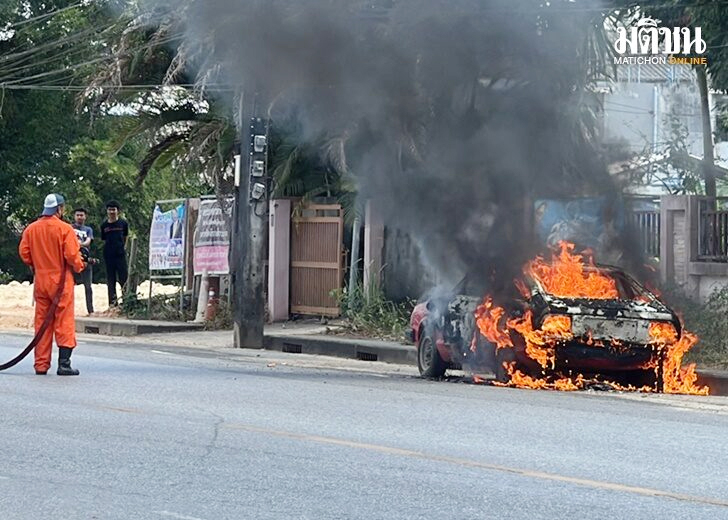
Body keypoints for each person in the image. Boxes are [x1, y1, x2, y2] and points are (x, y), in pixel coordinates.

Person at [18, 193, 85, 375]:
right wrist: (80, 266)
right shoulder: (65, 229)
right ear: (60, 209)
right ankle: (64, 364)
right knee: (64, 321)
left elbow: (24, 253)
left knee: (42, 323)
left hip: (40, 281)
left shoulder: (31, 229)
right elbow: (72, 256)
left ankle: (41, 365)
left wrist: (38, 264)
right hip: (61, 282)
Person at [100, 200, 129, 307]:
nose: (112, 212)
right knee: (110, 279)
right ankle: (112, 303)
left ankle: (127, 301)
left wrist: (123, 248)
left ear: (118, 211)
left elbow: (125, 237)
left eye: (114, 209)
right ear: (107, 211)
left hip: (120, 254)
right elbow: (104, 239)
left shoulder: (123, 223)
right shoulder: (104, 225)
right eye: (109, 209)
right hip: (108, 255)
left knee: (123, 278)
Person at [72, 207, 95, 315]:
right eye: (78, 215)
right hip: (72, 258)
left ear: (85, 217)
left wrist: (77, 243)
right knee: (68, 286)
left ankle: (91, 310)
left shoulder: (88, 229)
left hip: (85, 259)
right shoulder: (69, 228)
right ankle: (68, 310)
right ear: (74, 216)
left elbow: (88, 242)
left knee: (88, 287)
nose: (80, 217)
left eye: (82, 215)